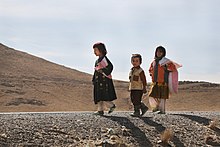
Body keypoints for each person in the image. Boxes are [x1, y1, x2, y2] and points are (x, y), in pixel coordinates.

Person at [148, 46, 182, 114]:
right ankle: (155, 108)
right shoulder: (154, 62)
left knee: (162, 97)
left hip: (164, 82)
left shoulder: (166, 61)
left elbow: (173, 68)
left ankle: (162, 111)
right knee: (151, 96)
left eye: (161, 51)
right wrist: (151, 73)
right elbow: (150, 69)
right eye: (158, 51)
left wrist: (167, 67)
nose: (159, 53)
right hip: (155, 82)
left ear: (163, 53)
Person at [92, 42, 117, 116]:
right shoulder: (97, 60)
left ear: (101, 50)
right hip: (98, 81)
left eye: (95, 50)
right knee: (99, 96)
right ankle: (100, 110)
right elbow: (96, 71)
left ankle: (111, 105)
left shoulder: (104, 59)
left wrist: (103, 70)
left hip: (104, 81)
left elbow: (110, 67)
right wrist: (94, 79)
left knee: (104, 96)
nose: (94, 52)